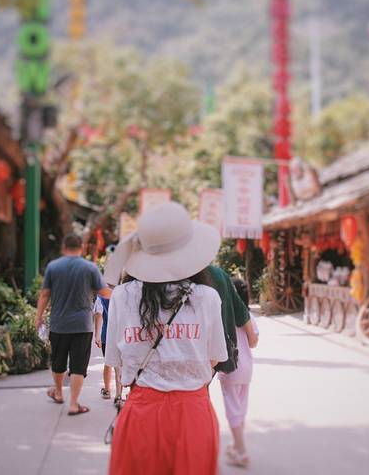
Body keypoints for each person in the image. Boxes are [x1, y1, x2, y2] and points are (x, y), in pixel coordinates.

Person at [103, 201, 228, 475]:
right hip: (193, 415)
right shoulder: (207, 297)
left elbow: (115, 360)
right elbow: (215, 359)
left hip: (141, 416)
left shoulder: (122, 297)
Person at [35, 233, 112, 416]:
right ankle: (74, 404)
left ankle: (59, 393)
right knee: (78, 366)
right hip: (82, 326)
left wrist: (38, 316)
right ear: (82, 248)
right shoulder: (90, 268)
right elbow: (105, 292)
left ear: (63, 247)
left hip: (59, 324)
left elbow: (44, 294)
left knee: (58, 362)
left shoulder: (53, 267)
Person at [216, 275, 259, 468]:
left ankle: (241, 451)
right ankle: (236, 446)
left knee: (232, 410)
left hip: (230, 370)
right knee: (240, 409)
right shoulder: (249, 318)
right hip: (247, 369)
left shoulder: (225, 318)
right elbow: (253, 342)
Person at [93, 294, 123, 405]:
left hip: (107, 336)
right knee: (119, 366)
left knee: (108, 362)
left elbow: (99, 314)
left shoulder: (101, 296)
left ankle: (107, 390)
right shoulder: (122, 293)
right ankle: (118, 394)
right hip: (123, 335)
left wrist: (97, 335)